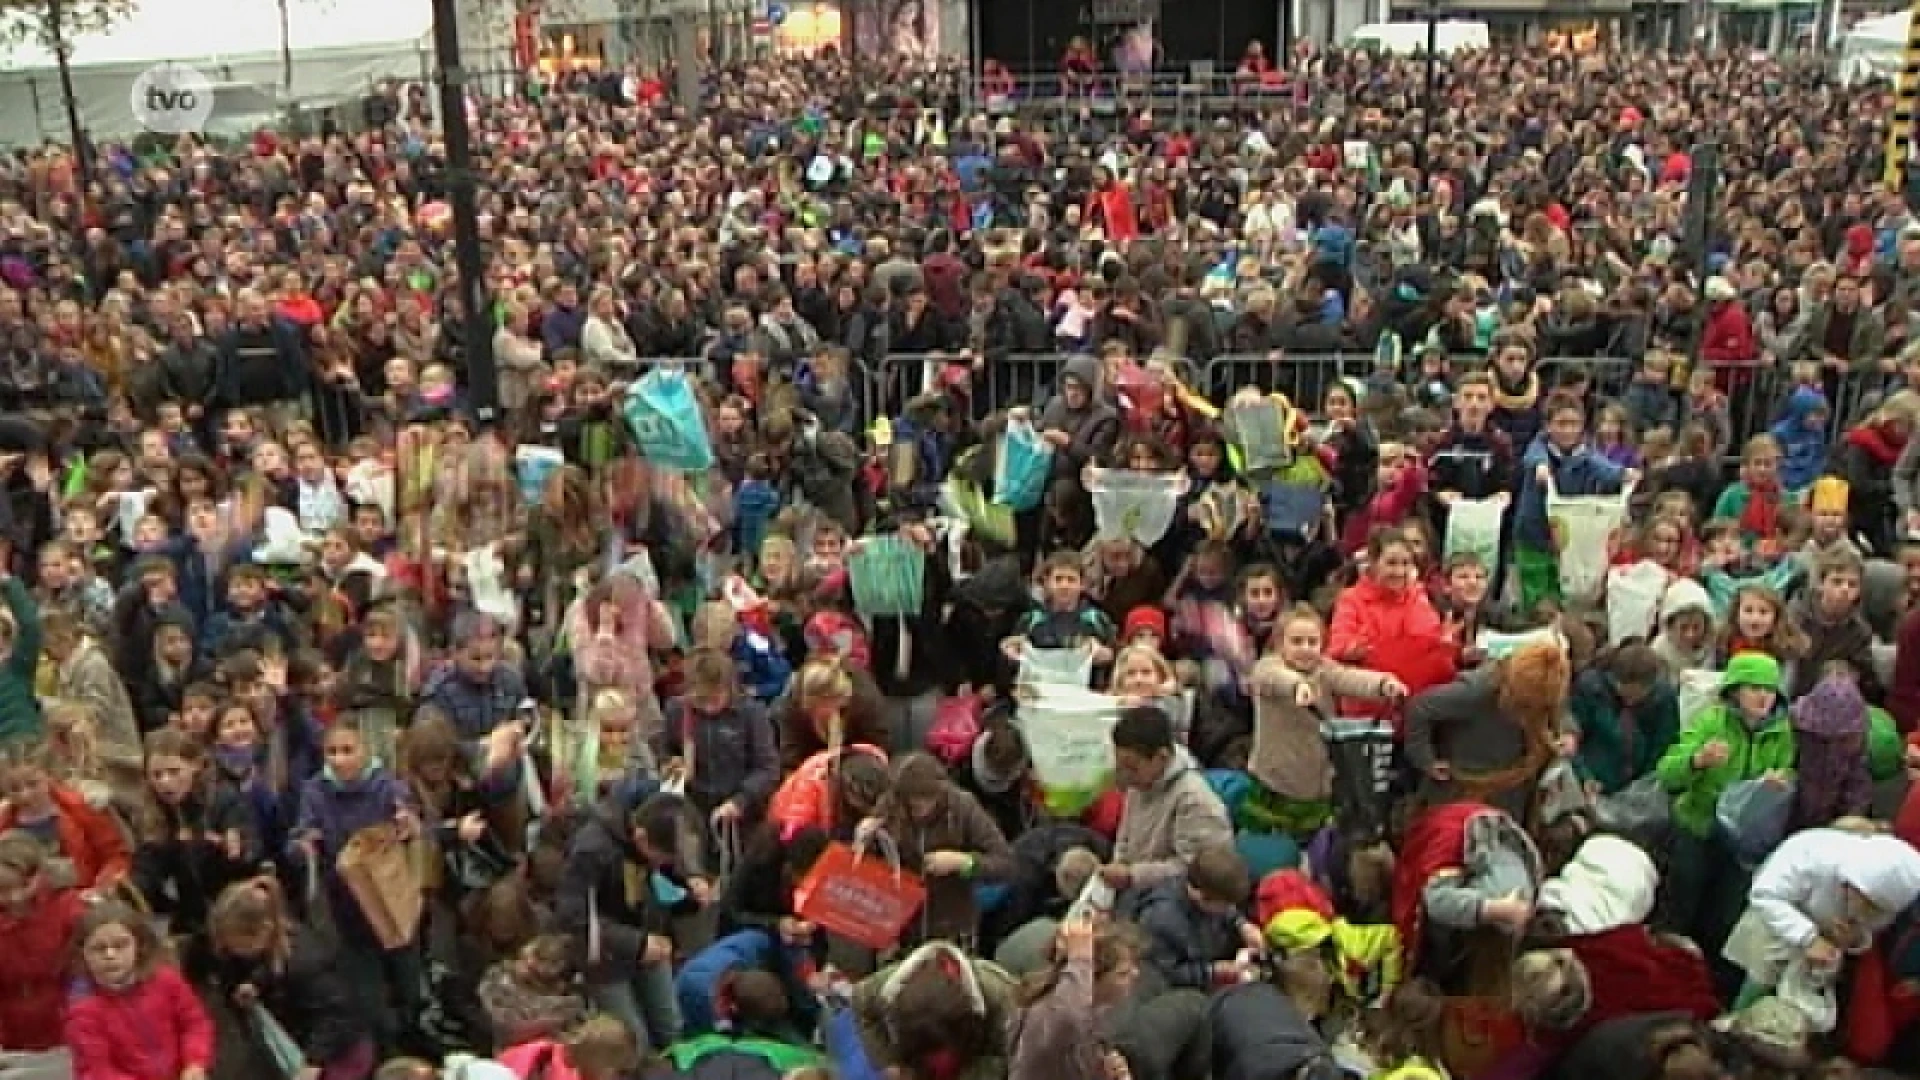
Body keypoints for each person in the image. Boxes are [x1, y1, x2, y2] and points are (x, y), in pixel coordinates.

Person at [63, 900, 216, 1080]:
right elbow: (98, 1070)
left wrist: (195, 1063)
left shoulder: (166, 981)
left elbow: (194, 1022)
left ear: (139, 945)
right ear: (83, 954)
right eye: (99, 948)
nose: (110, 955)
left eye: (120, 945)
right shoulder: (83, 1011)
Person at [1099, 704, 1232, 894]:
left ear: (1162, 757)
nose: (1125, 775)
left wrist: (1133, 875)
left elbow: (1196, 872)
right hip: (1131, 884)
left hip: (1174, 898)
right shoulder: (1139, 784)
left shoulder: (1195, 800)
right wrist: (1117, 866)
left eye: (1132, 767)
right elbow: (1124, 839)